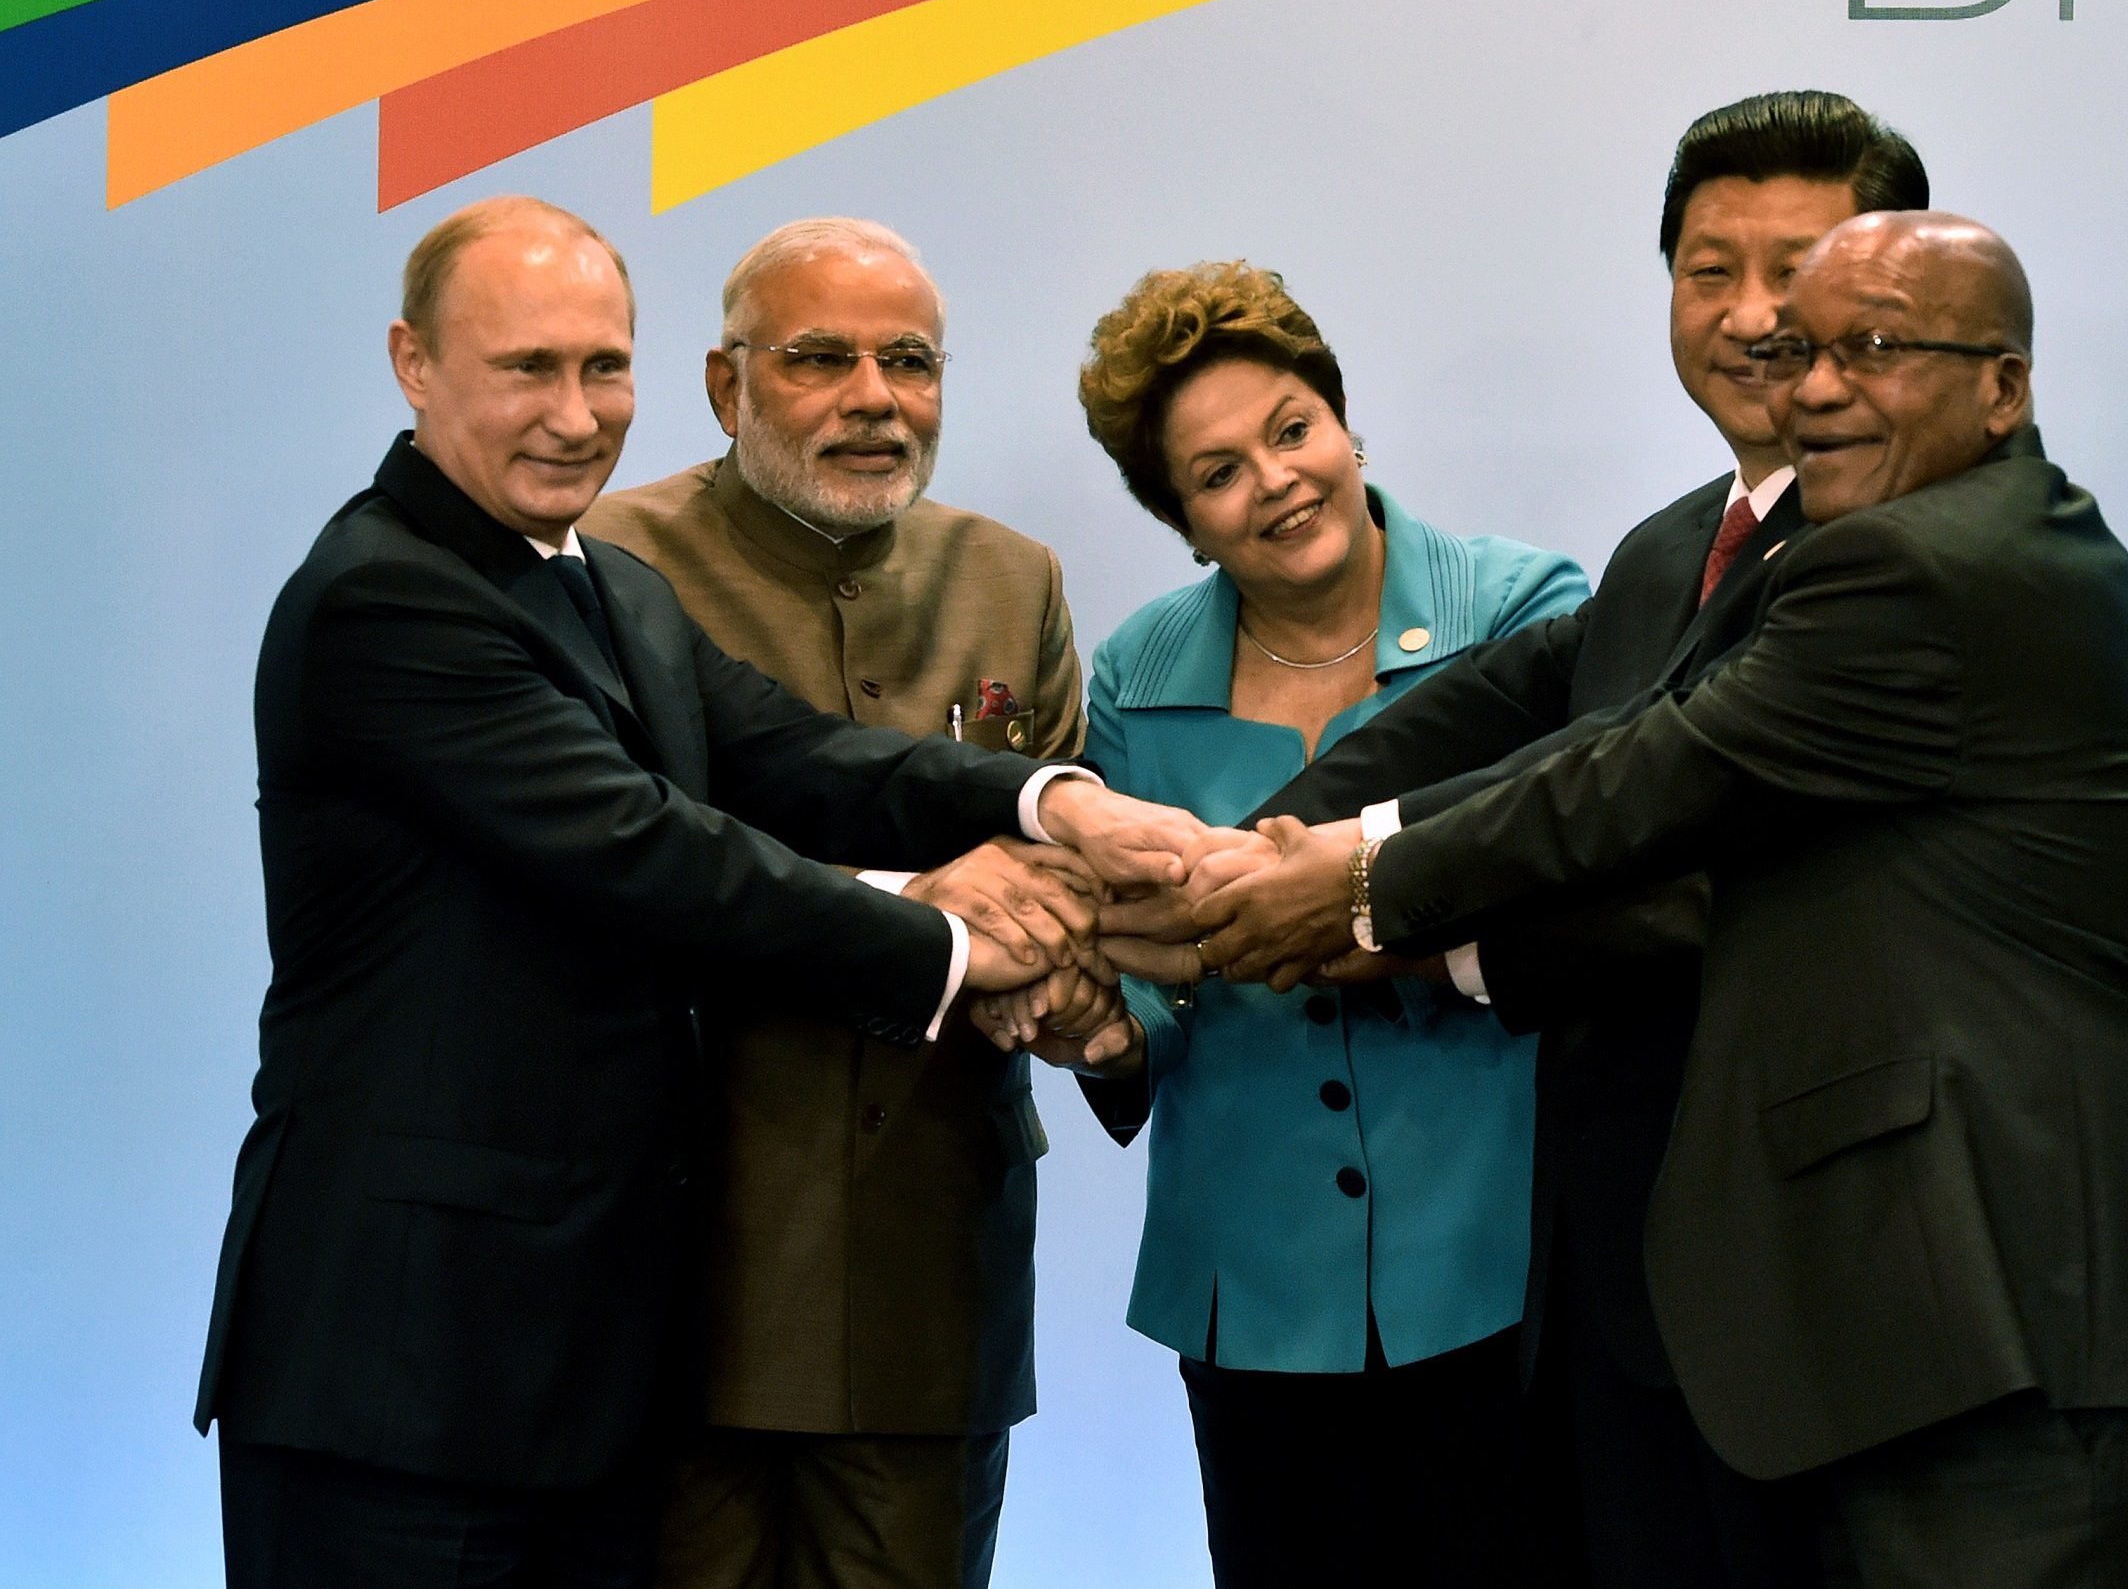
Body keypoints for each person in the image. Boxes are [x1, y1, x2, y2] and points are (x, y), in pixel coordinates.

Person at [1191, 213, 2128, 1589]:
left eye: (1877, 350)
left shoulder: (1929, 564)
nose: (1818, 388)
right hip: (1944, 1348)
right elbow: (1591, 736)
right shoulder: (1887, 550)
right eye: (1801, 354)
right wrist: (1265, 857)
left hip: (2044, 1339)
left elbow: (1645, 777)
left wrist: (1358, 883)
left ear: (2005, 387)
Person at [197, 196, 1193, 1589]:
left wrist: (1055, 800)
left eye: (603, 367)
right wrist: (965, 940)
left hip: (578, 1365)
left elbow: (805, 759)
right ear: (413, 365)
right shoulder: (388, 597)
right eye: (526, 368)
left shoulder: (602, 588)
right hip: (400, 1361)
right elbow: (658, 857)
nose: (575, 412)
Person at [1121, 91, 1931, 1585]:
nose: (1750, 315)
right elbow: (1498, 730)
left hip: (1814, 1296)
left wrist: (1364, 913)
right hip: (1630, 1301)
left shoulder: (1899, 556)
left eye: (1794, 268)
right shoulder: (1674, 548)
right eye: (1707, 270)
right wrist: (1264, 853)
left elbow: (1689, 872)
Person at [1014, 261, 1590, 1588]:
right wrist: (1103, 1032)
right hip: (1254, 1294)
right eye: (1218, 475)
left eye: (1292, 431)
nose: (1275, 482)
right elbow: (1143, 970)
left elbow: (1565, 872)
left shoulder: (1527, 610)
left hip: (1504, 1266)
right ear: (1186, 525)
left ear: (1347, 427)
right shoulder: (1139, 676)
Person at [582, 218, 1104, 1589]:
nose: (875, 398)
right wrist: (928, 903)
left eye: (912, 362)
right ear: (724, 385)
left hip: (930, 1266)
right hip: (672, 1258)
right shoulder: (603, 569)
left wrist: (1070, 968)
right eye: (820, 359)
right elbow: (619, 876)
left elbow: (1054, 882)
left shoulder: (1014, 575)